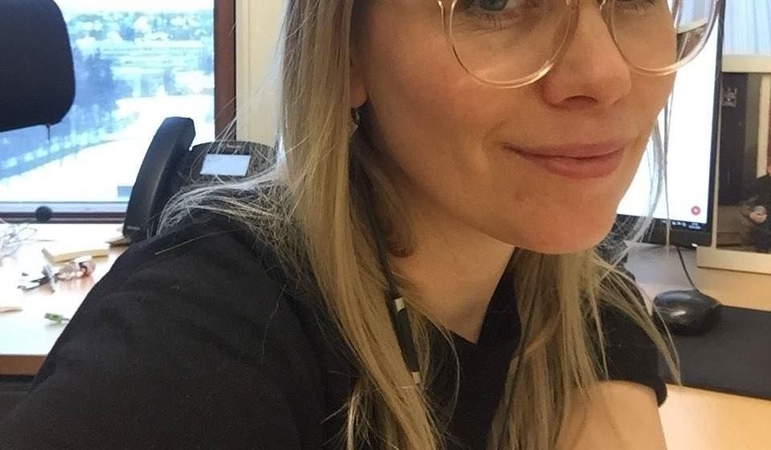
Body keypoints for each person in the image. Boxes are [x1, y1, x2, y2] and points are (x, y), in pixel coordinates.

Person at [1, 1, 720, 449]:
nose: (605, 75)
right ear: (345, 51)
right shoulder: (198, 340)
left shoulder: (571, 285)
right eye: (493, 2)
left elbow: (594, 298)